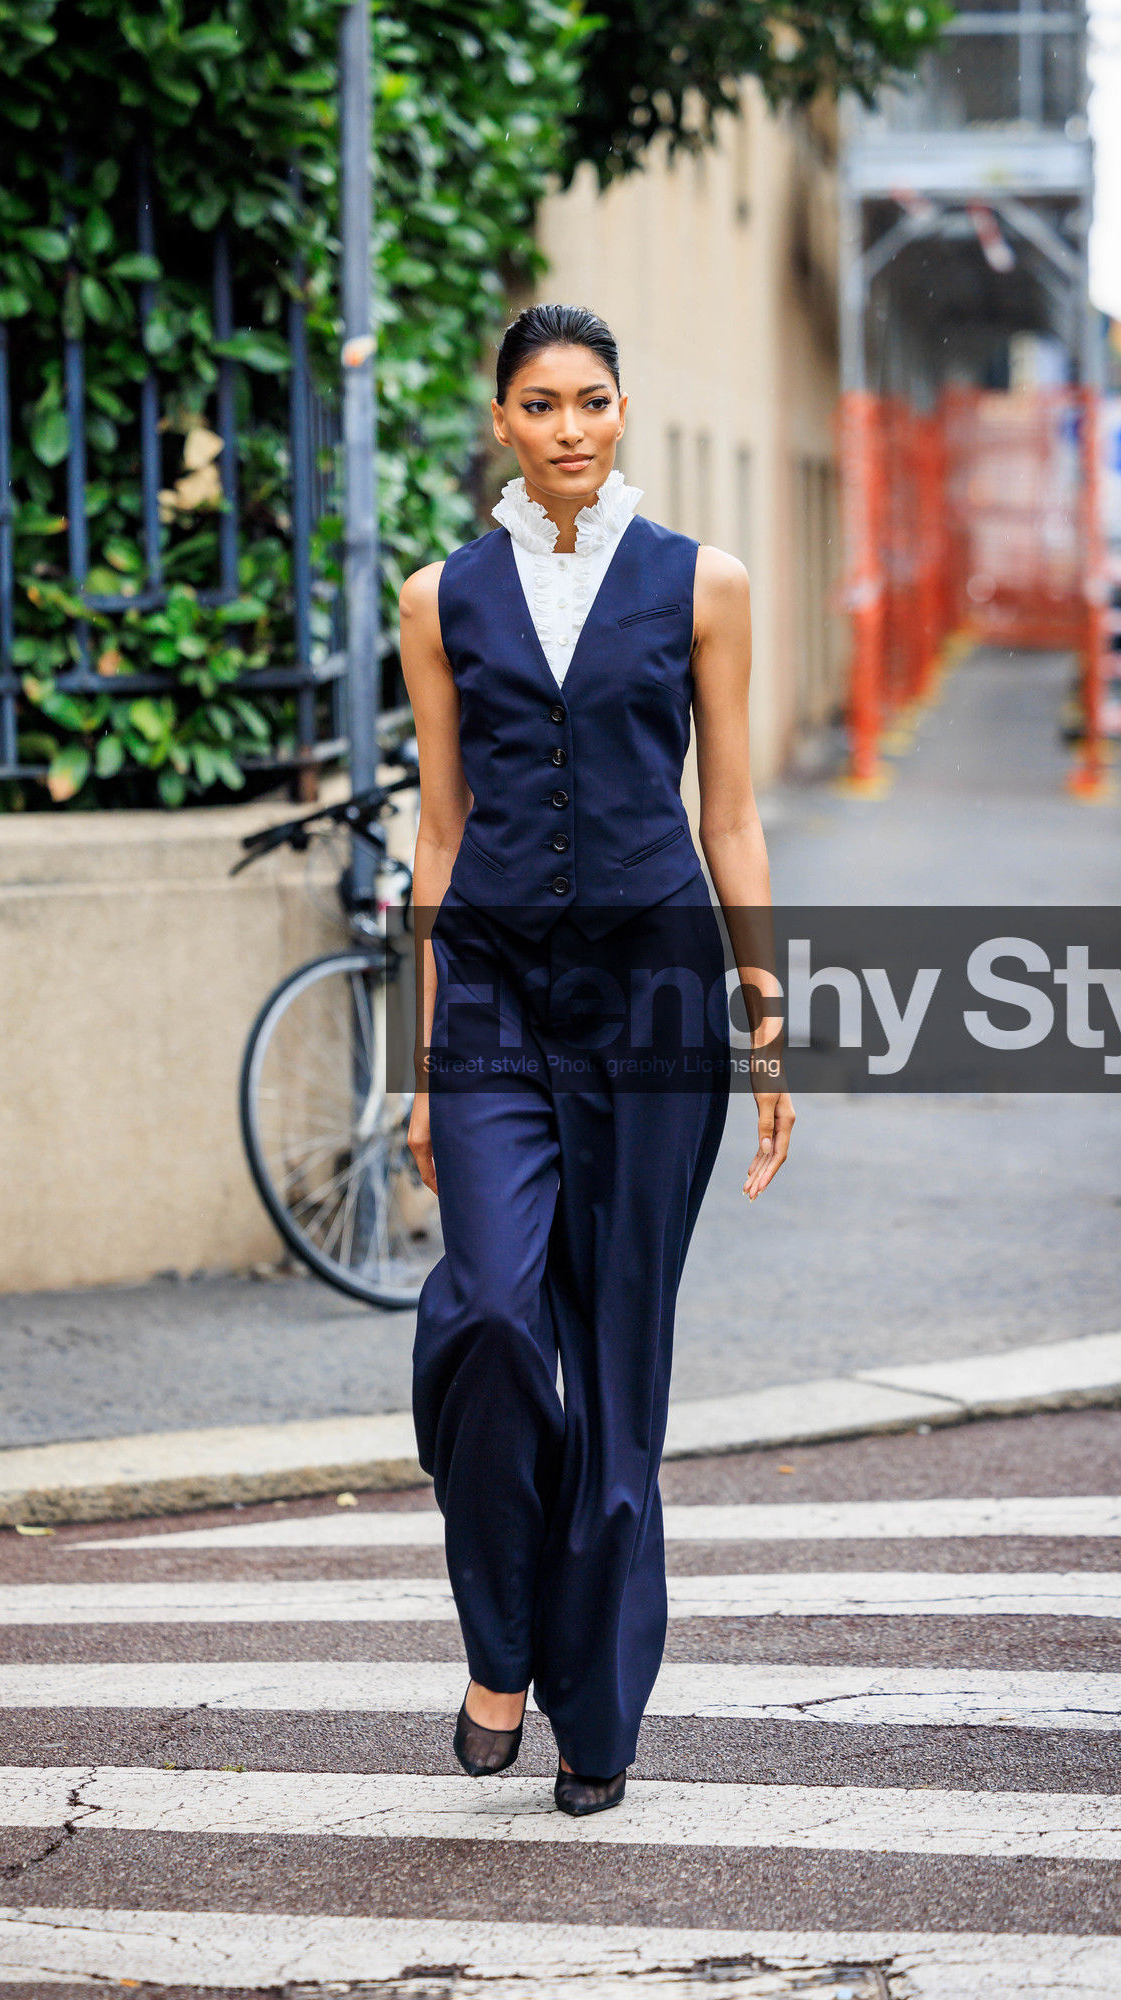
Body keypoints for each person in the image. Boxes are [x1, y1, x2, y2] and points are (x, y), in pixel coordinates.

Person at [399, 302, 794, 1817]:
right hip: (494, 992)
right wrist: (424, 1065)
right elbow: (439, 834)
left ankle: (595, 1705)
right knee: (493, 1318)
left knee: (620, 1375)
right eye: (542, 404)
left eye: (596, 402)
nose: (571, 427)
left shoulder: (707, 584)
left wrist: (766, 1024)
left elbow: (734, 818)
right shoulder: (442, 599)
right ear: (501, 421)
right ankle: (500, 1642)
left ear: (621, 415)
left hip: (654, 998)